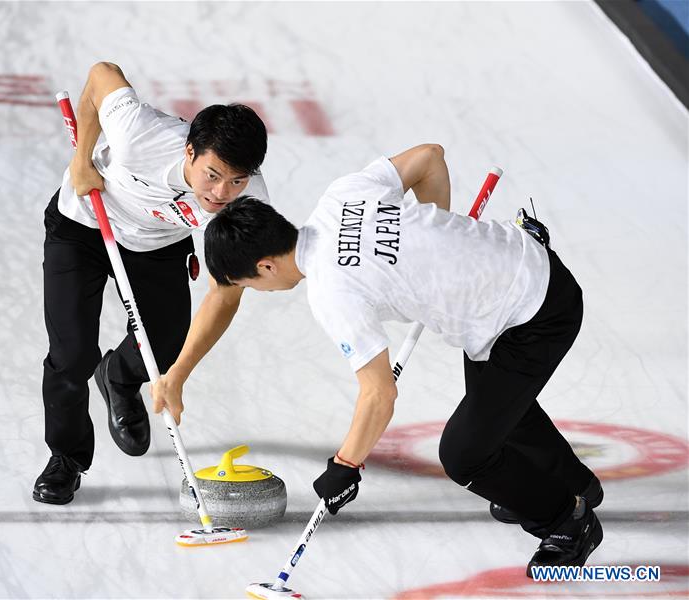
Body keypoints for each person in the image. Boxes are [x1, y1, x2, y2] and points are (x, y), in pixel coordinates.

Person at [192, 144, 603, 575]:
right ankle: (577, 485)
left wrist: (345, 466)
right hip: (519, 271)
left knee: (465, 454)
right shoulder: (340, 197)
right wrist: (436, 237)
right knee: (499, 409)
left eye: (248, 285)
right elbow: (429, 156)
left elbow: (379, 393)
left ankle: (566, 520)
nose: (258, 291)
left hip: (533, 315)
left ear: (265, 267)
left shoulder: (332, 292)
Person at [34, 61, 269, 505]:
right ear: (190, 152)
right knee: (71, 355)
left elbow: (225, 294)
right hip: (82, 222)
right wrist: (82, 159)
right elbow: (101, 75)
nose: (220, 193)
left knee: (163, 348)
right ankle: (66, 458)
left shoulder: (247, 205)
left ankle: (119, 377)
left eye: (236, 181)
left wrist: (177, 375)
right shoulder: (141, 134)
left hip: (156, 243)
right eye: (213, 175)